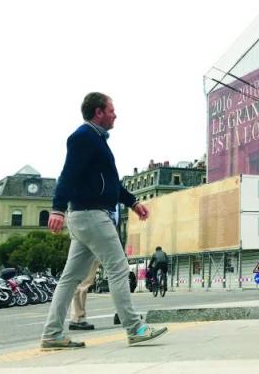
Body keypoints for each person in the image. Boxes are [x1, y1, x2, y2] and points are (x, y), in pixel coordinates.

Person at [40, 92, 168, 350]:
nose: (115, 114)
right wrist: (56, 208)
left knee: (70, 278)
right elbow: (68, 173)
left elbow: (111, 183)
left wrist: (132, 202)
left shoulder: (96, 140)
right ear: (98, 112)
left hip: (85, 217)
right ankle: (135, 328)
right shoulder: (83, 138)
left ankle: (52, 334)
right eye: (111, 110)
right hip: (91, 216)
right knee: (119, 268)